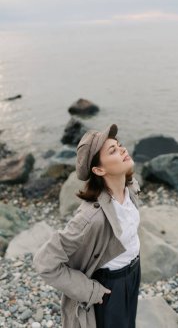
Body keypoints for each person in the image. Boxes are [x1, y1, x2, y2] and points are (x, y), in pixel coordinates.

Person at [33, 123, 142, 328]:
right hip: (110, 287)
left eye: (119, 145)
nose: (122, 149)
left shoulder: (131, 187)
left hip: (134, 272)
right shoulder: (91, 218)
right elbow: (44, 262)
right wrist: (90, 291)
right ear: (99, 169)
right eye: (113, 150)